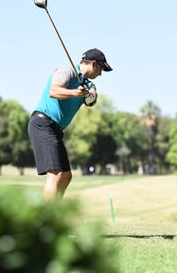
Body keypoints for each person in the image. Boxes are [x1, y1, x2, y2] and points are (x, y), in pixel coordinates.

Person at [28, 48, 113, 200]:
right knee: (55, 175)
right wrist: (76, 93)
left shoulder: (88, 84)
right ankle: (47, 219)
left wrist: (89, 94)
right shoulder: (67, 70)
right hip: (43, 123)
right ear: (93, 64)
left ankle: (56, 212)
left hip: (55, 130)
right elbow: (54, 91)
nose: (100, 74)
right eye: (101, 69)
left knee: (66, 176)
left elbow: (92, 100)